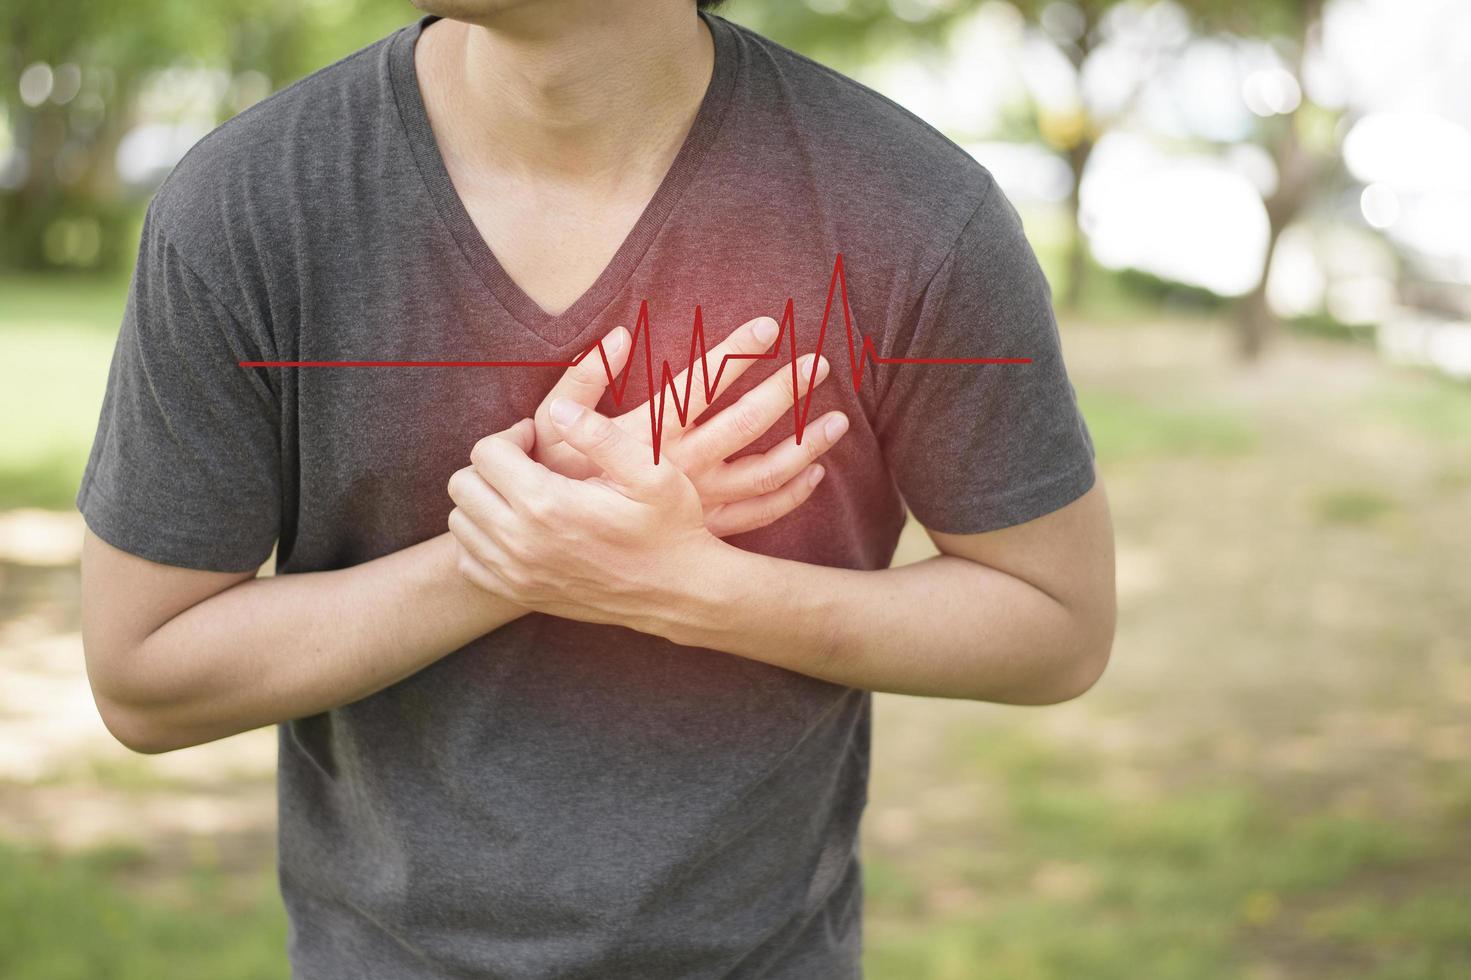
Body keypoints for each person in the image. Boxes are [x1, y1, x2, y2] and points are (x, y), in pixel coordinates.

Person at [76, 0, 1117, 975]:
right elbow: (144, 673)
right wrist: (509, 557)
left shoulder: (915, 216)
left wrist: (692, 589)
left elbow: (1055, 622)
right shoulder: (246, 209)